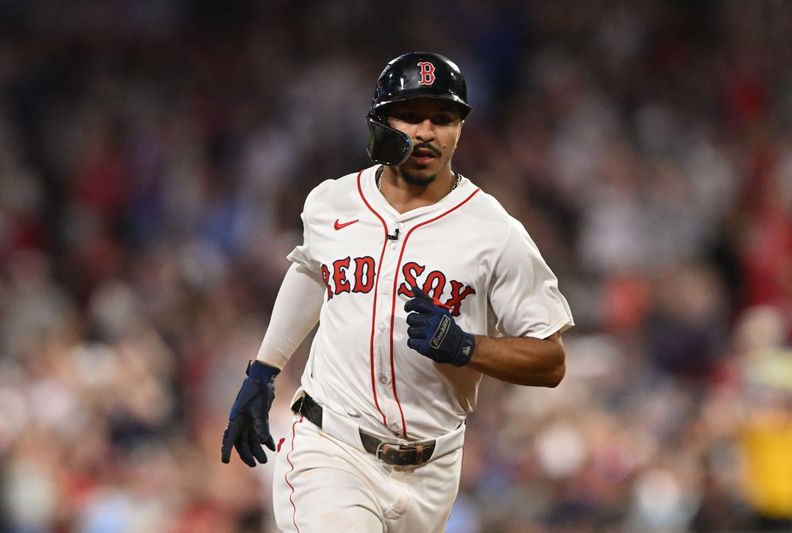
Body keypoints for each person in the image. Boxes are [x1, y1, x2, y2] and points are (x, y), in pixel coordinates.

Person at [221, 51, 574, 533]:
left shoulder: (495, 231)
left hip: (433, 470)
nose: (428, 131)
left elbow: (550, 360)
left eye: (444, 118)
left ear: (460, 130)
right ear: (380, 123)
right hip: (331, 447)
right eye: (411, 115)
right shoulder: (331, 202)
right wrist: (264, 370)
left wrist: (467, 347)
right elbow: (311, 272)